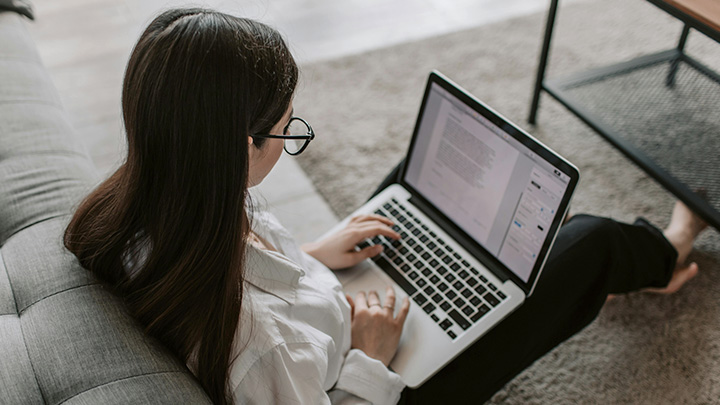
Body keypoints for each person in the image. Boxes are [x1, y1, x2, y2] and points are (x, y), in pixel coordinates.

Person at [62, 8, 708, 405]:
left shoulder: (156, 199)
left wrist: (313, 255)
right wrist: (372, 353)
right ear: (240, 144)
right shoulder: (257, 349)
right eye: (288, 131)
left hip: (325, 311)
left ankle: (517, 240)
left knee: (415, 189)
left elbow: (246, 274)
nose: (292, 139)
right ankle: (667, 249)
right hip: (382, 380)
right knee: (592, 241)